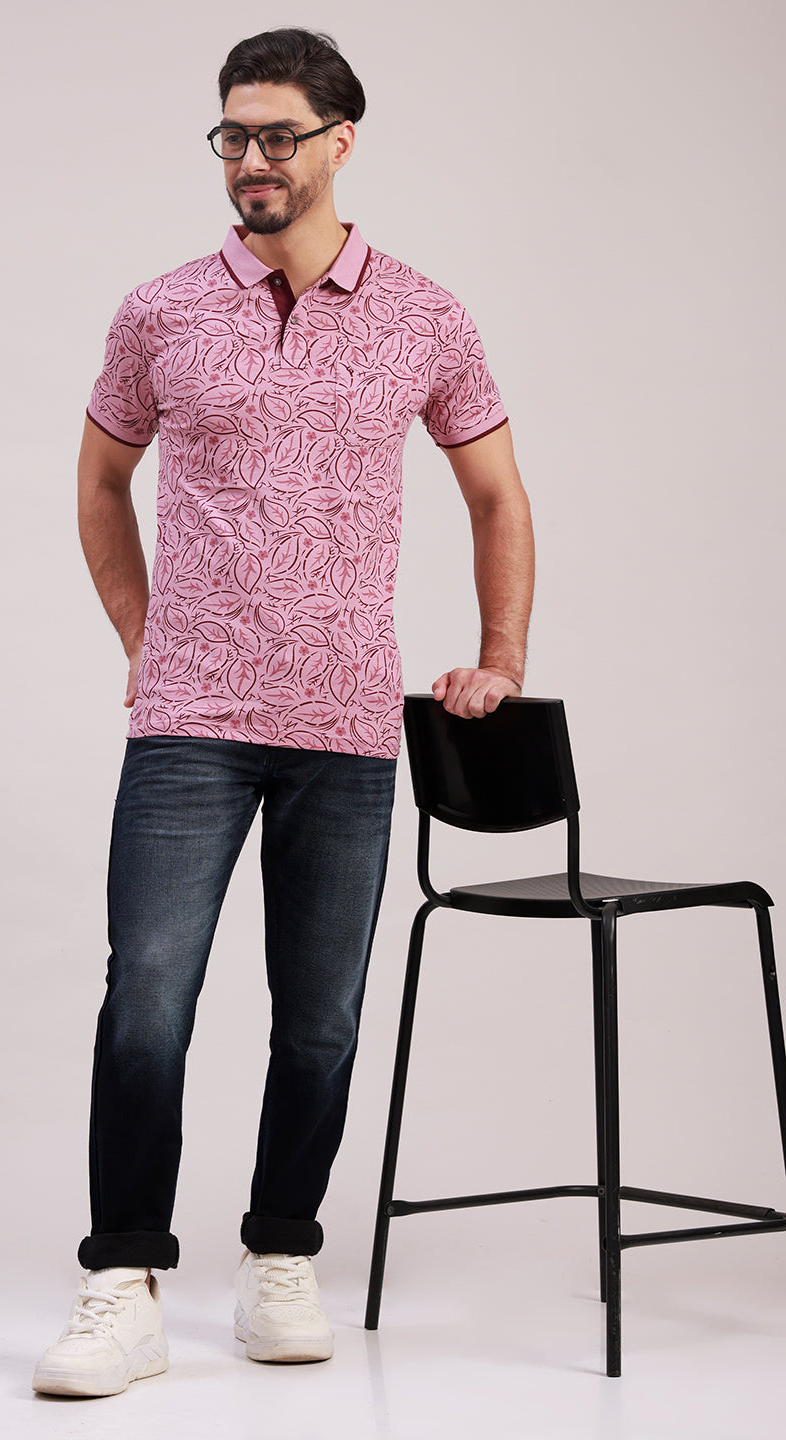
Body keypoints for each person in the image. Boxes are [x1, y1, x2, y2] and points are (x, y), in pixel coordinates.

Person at [33, 27, 534, 1398]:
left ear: (339, 143)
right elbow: (99, 483)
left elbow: (496, 494)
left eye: (275, 137)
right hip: (189, 721)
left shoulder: (425, 316)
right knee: (148, 996)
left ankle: (280, 1255)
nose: (249, 161)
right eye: (232, 137)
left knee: (319, 1020)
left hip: (345, 728)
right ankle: (123, 1281)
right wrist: (143, 638)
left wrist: (499, 654)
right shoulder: (161, 310)